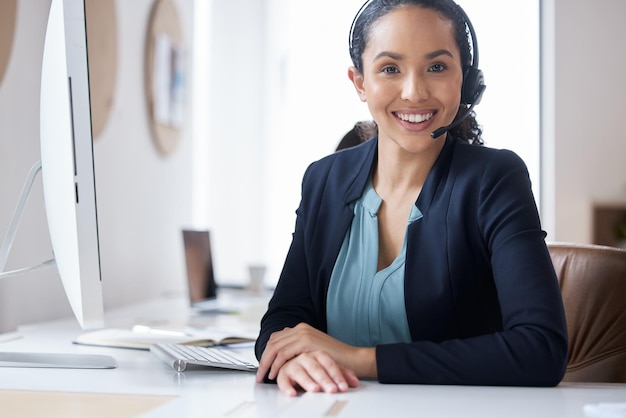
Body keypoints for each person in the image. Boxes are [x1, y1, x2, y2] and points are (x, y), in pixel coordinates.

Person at [255, 0, 568, 396]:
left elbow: (541, 349)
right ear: (360, 82)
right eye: (390, 68)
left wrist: (359, 359)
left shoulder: (494, 180)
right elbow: (282, 323)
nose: (414, 91)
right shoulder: (324, 179)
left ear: (466, 82)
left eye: (437, 67)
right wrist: (295, 357)